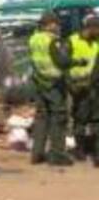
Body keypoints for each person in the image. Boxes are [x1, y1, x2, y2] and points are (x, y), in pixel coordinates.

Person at [28, 11, 73, 166]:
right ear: (50, 24)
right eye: (56, 23)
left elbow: (34, 61)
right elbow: (62, 62)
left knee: (41, 117)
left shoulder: (33, 39)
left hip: (39, 82)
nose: (58, 26)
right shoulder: (54, 41)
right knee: (59, 117)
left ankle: (37, 153)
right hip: (54, 83)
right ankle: (57, 155)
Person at [66, 13, 99, 166]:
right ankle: (80, 150)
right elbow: (64, 63)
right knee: (80, 119)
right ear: (89, 28)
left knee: (96, 119)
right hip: (79, 86)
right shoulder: (72, 40)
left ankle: (94, 151)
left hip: (95, 86)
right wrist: (71, 83)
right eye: (96, 28)